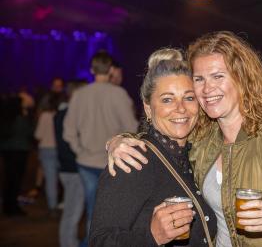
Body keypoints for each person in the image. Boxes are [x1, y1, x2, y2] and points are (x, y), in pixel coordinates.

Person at [106, 31, 262, 246]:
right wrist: (119, 141)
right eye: (199, 79)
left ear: (242, 79)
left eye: (218, 76)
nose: (207, 88)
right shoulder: (203, 139)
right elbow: (163, 132)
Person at [89, 48, 217, 246]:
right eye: (167, 99)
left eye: (189, 97)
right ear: (148, 108)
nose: (181, 108)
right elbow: (100, 241)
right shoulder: (133, 161)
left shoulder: (196, 154)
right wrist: (152, 236)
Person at [63, 50, 139, 246]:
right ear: (112, 70)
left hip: (86, 162)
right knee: (111, 217)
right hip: (113, 164)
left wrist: (79, 150)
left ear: (91, 69)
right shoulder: (119, 94)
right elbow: (132, 129)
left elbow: (68, 130)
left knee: (92, 213)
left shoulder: (79, 95)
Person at [54, 80, 87, 247]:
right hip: (72, 169)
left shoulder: (64, 112)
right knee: (72, 213)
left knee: (72, 212)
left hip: (68, 168)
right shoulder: (68, 114)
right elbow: (68, 144)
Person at [0, 93, 35, 216]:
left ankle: (8, 206)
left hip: (8, 150)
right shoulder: (21, 118)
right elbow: (30, 132)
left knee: (9, 179)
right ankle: (12, 207)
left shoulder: (9, 116)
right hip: (19, 151)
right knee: (15, 180)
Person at [35, 92, 60, 214]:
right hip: (59, 150)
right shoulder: (59, 115)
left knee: (50, 179)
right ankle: (61, 202)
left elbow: (38, 135)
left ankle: (52, 206)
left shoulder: (44, 116)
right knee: (61, 179)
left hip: (46, 149)